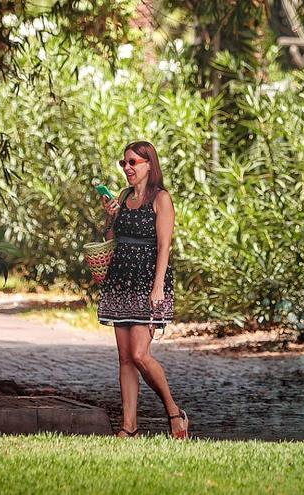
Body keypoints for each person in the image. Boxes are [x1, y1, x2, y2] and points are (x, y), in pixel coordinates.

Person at [97, 140, 189, 439]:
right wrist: (110, 216)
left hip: (147, 281)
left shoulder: (161, 199)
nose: (127, 167)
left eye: (133, 162)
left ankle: (174, 412)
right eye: (124, 163)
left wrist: (158, 286)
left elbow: (164, 246)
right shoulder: (123, 197)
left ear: (149, 165)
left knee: (140, 354)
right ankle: (129, 426)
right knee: (125, 358)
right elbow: (112, 239)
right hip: (120, 279)